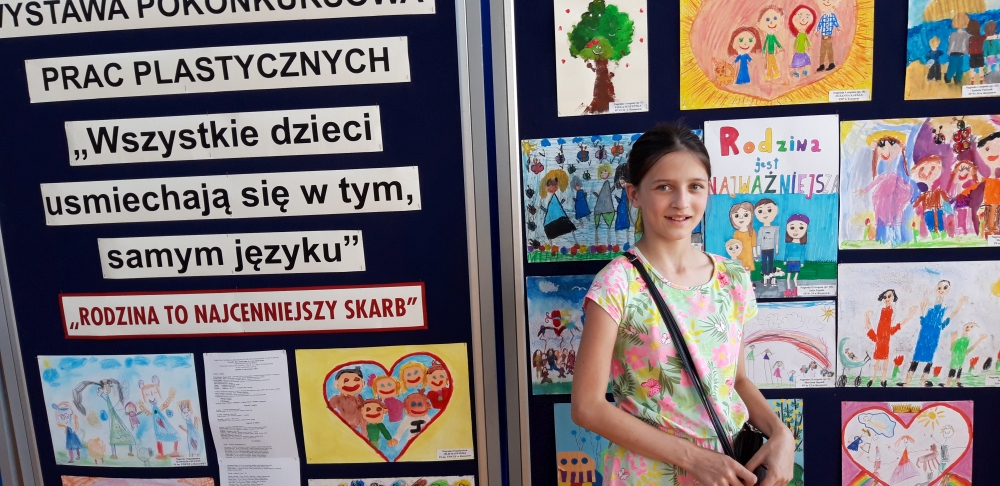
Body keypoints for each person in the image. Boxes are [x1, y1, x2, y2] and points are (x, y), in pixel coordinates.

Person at [571, 123, 794, 486]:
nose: (681, 202)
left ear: (709, 190)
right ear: (634, 194)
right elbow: (587, 407)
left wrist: (781, 433)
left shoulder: (732, 278)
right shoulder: (617, 283)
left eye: (695, 186)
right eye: (664, 187)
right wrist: (694, 459)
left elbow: (736, 379)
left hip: (729, 469)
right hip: (648, 475)